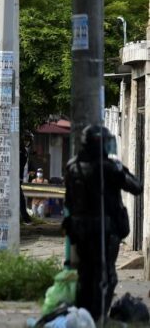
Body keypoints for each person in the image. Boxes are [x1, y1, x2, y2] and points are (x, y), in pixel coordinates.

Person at [64, 125, 142, 322]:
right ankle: (98, 318)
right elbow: (136, 187)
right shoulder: (108, 168)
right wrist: (119, 168)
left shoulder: (72, 166)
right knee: (106, 277)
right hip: (105, 231)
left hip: (80, 230)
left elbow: (69, 200)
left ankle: (83, 316)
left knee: (85, 274)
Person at [19, 131, 35, 224]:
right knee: (21, 199)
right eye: (25, 140)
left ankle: (26, 219)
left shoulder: (24, 151)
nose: (26, 142)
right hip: (15, 178)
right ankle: (26, 219)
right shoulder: (19, 150)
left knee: (21, 199)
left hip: (19, 178)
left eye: (28, 140)